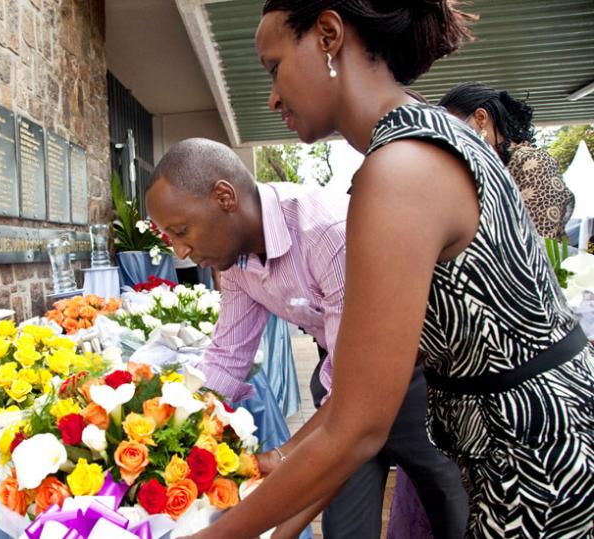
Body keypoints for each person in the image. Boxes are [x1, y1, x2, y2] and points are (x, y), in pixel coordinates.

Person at [178, 1, 594, 537]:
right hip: (530, 443)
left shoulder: (399, 168)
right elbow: (352, 401)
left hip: (541, 463)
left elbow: (357, 428)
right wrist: (282, 465)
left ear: (329, 35)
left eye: (273, 66)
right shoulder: (420, 136)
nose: (273, 95)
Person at [146, 138, 467, 538]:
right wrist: (170, 423)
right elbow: (227, 357)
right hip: (345, 391)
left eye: (181, 230)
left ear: (224, 197)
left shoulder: (325, 232)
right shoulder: (233, 261)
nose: (180, 250)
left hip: (419, 383)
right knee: (345, 528)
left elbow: (357, 395)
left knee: (451, 509)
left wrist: (286, 459)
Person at [438, 82, 575, 239]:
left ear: (481, 118)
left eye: (454, 131)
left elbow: (536, 241)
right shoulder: (488, 170)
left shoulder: (532, 160)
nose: (453, 142)